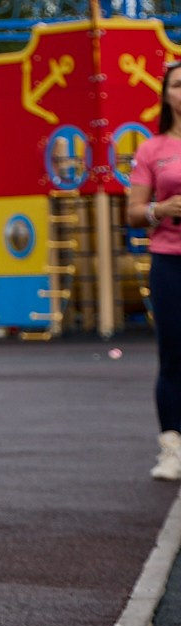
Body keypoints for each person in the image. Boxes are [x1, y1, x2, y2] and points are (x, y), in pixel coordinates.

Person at [125, 58, 181, 482]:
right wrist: (160, 209)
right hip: (169, 263)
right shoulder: (152, 149)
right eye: (178, 85)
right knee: (173, 358)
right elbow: (131, 214)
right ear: (167, 94)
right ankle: (172, 448)